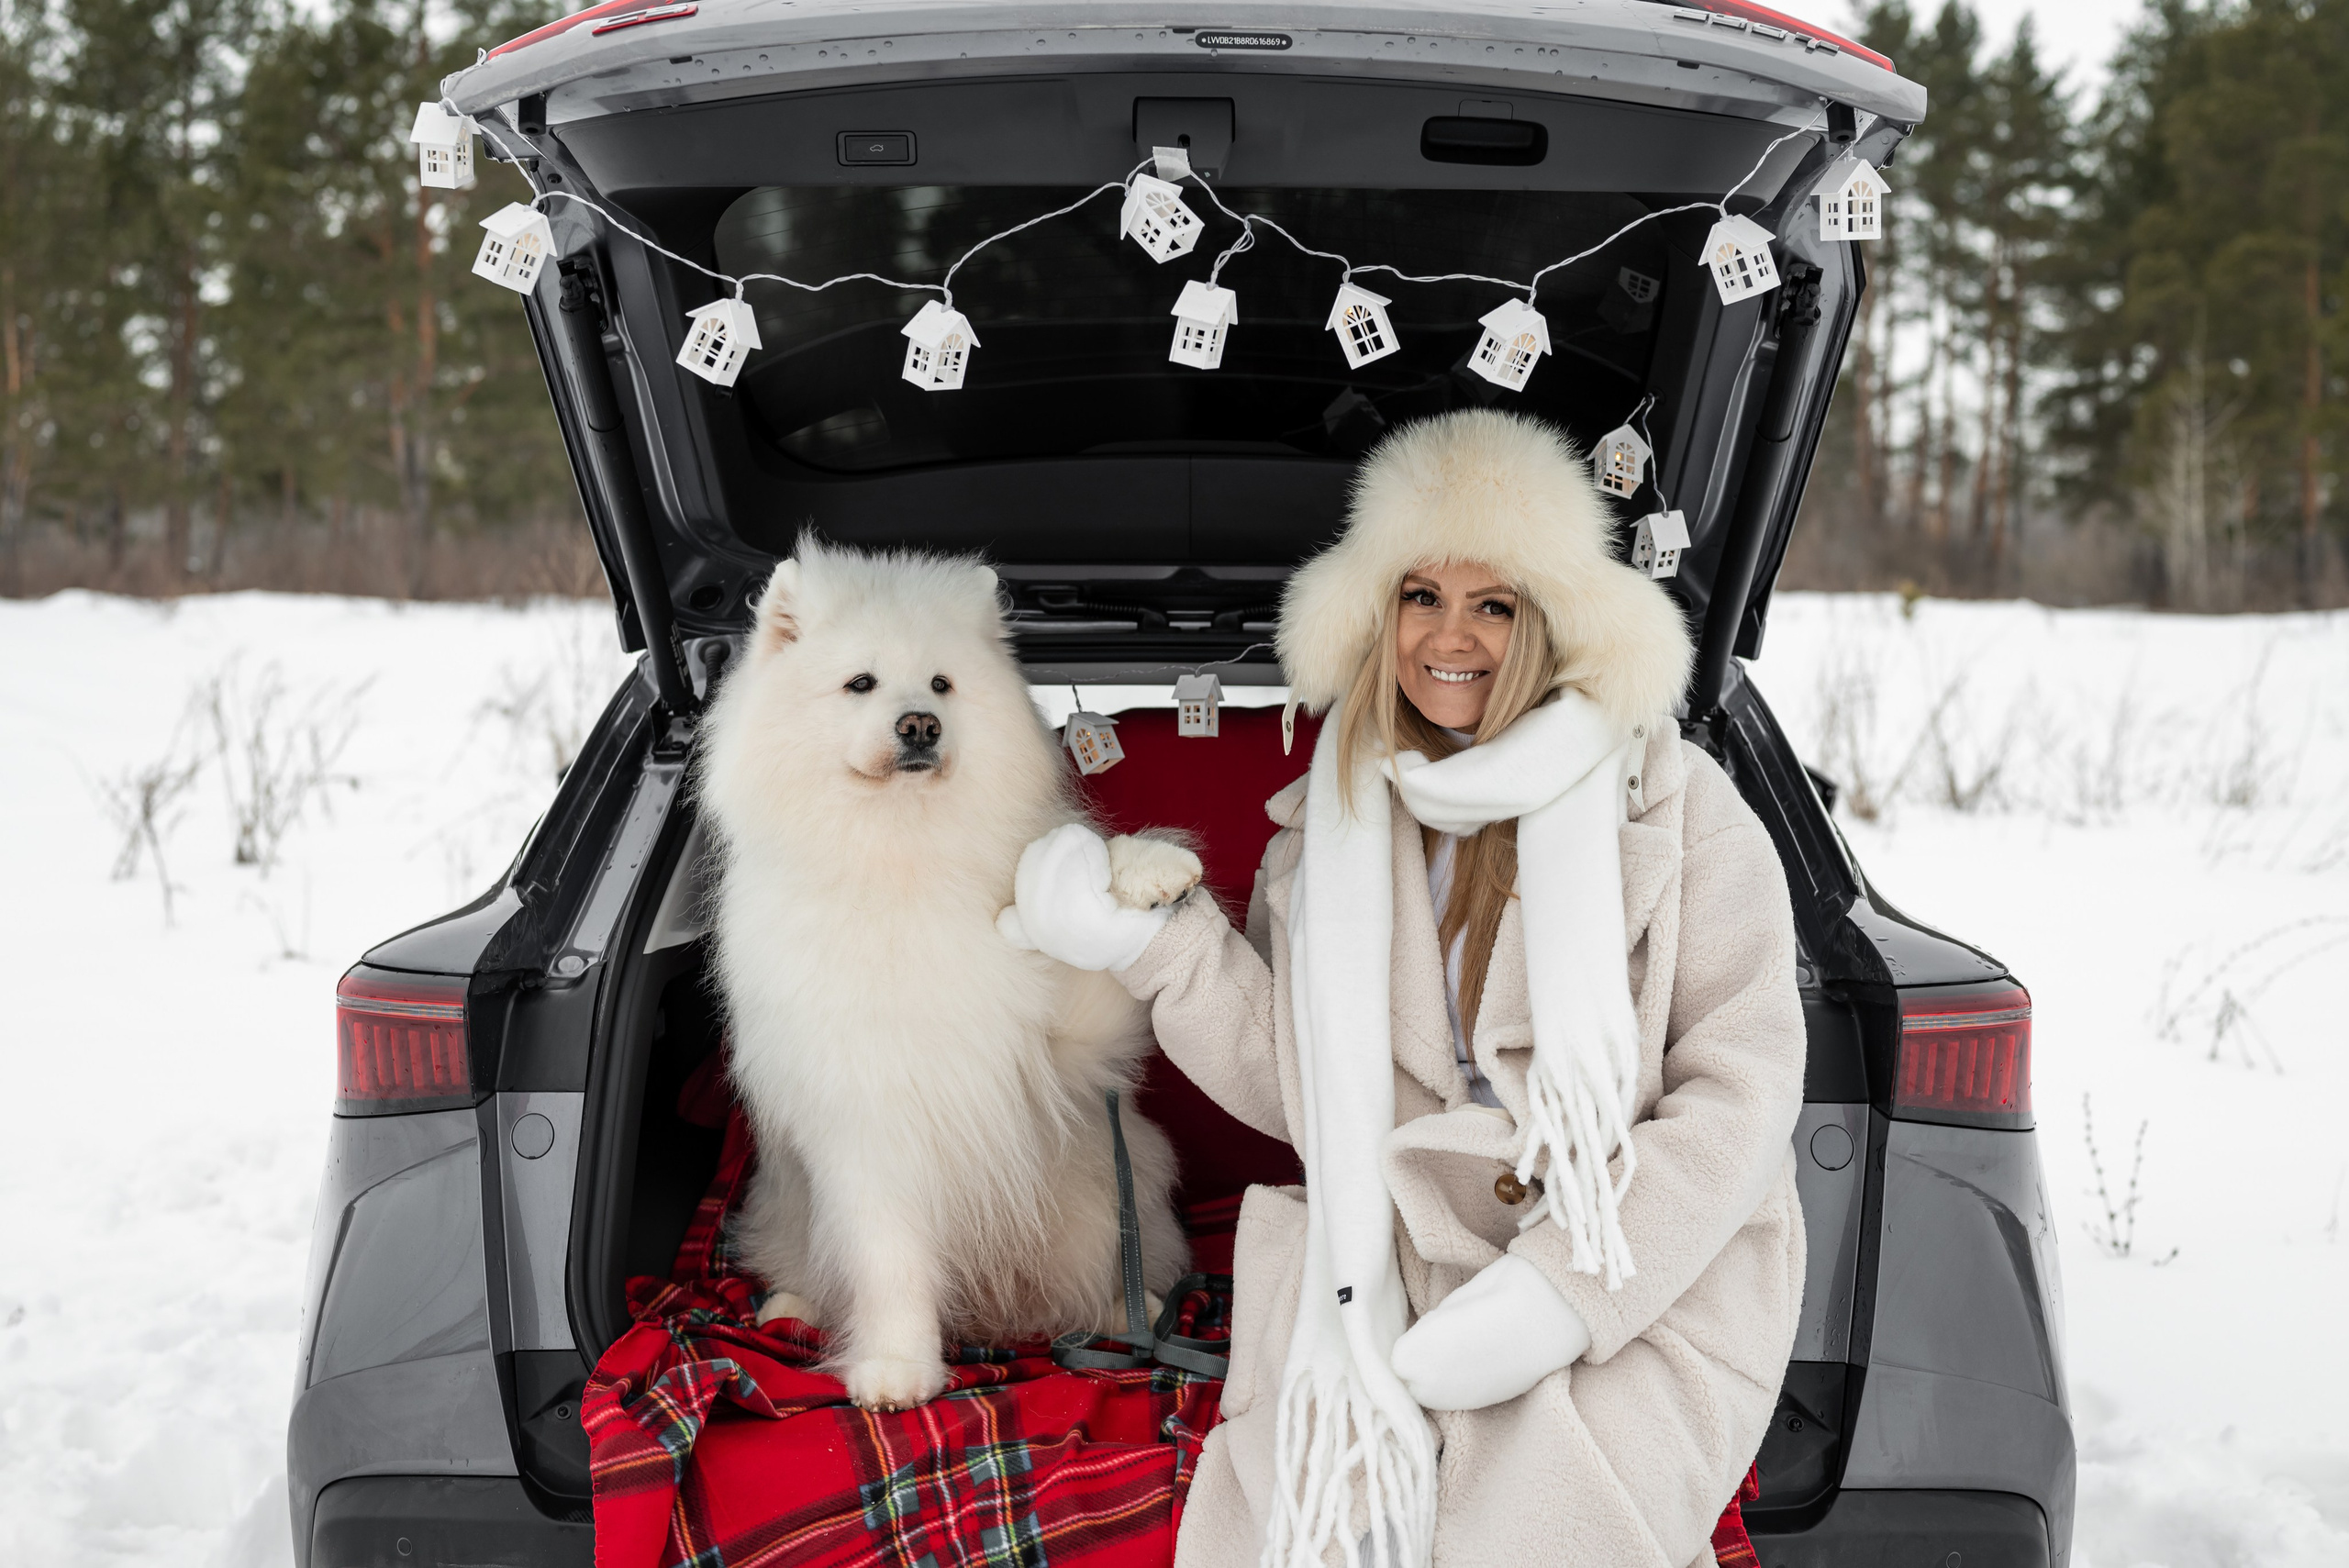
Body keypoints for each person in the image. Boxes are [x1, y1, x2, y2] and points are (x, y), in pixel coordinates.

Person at [1002, 408, 1806, 1568]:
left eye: (1494, 602)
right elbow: (1300, 1084)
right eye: (1420, 594)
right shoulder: (1325, 834)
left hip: (1632, 1253)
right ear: (1376, 613)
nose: (1452, 636)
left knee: (1538, 1539)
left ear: (1551, 618)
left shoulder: (1671, 803)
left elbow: (1742, 1086)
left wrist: (1562, 1296)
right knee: (1332, 1524)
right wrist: (1151, 943)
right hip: (1394, 1247)